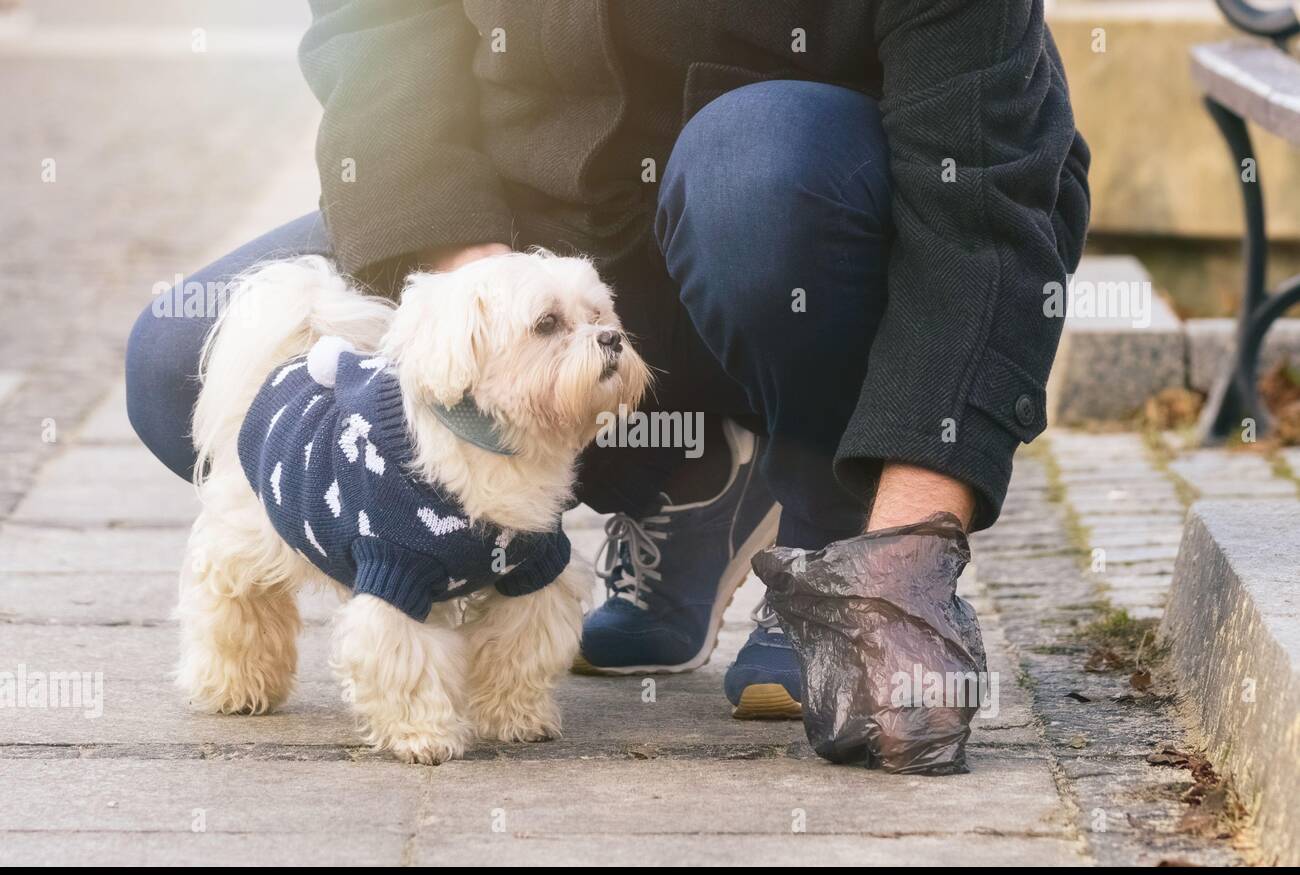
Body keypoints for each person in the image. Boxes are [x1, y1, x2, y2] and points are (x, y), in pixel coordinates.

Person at [126, 0, 1089, 722]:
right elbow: (379, 26)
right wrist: (474, 283)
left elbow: (983, 204)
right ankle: (684, 482)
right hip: (543, 214)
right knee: (186, 363)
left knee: (756, 173)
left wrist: (907, 554)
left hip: (799, 209)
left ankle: (826, 525)